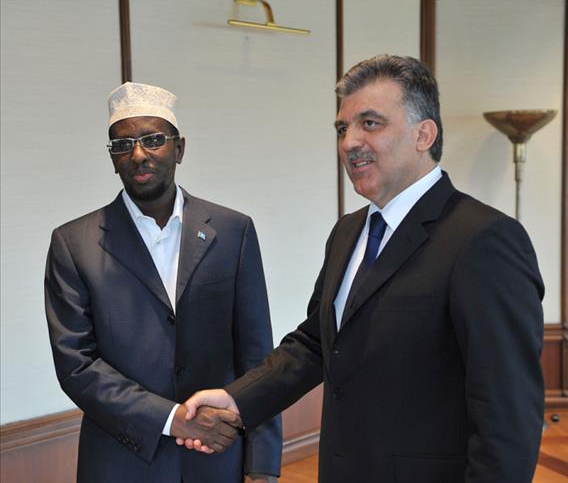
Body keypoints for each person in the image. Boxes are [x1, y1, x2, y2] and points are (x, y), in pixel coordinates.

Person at [181, 55, 545, 483]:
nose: (350, 142)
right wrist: (237, 399)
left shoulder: (483, 239)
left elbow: (508, 416)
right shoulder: (348, 231)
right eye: (342, 128)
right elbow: (316, 343)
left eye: (370, 123)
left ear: (424, 135)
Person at [44, 82, 281, 483]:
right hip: (121, 462)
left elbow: (256, 356)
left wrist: (262, 463)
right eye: (123, 145)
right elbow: (76, 365)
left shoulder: (233, 231)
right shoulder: (73, 243)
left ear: (179, 148)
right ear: (113, 158)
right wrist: (173, 419)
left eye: (153, 139)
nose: (138, 154)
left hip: (217, 457)